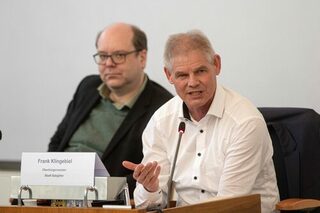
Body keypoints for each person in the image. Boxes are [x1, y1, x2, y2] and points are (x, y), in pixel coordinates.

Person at [123, 30, 279, 212]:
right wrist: (151, 188)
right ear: (169, 75)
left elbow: (228, 206)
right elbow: (147, 205)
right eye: (182, 75)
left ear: (217, 65)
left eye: (200, 71)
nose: (193, 82)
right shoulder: (161, 121)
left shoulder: (245, 122)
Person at [48, 23, 173, 197]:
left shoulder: (164, 107)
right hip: (59, 195)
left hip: (108, 202)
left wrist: (96, 191)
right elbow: (57, 144)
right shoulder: (88, 87)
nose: (108, 63)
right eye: (103, 56)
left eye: (119, 55)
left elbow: (151, 176)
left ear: (142, 58)